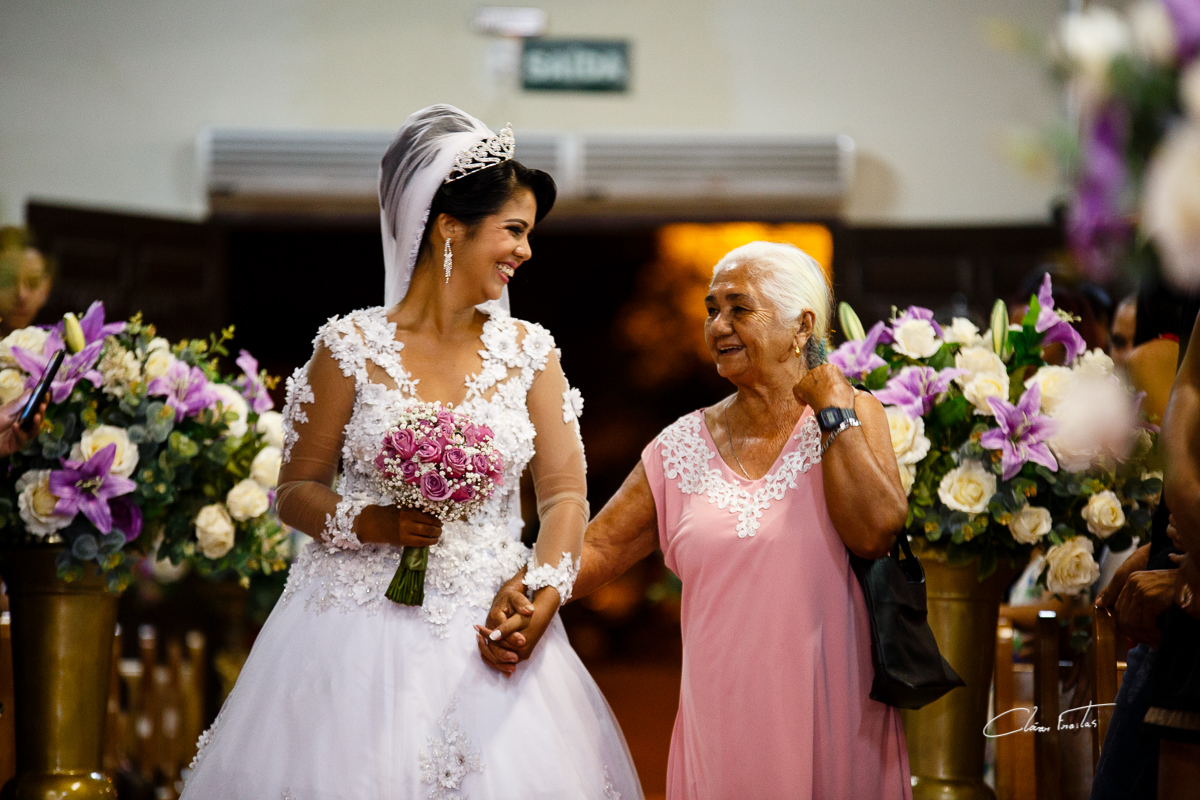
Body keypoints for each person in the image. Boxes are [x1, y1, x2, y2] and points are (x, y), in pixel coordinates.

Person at [182, 106, 642, 799]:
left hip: (489, 619)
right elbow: (297, 488)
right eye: (514, 231)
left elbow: (564, 497)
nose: (525, 251)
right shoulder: (349, 348)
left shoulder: (530, 354)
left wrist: (543, 591)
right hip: (350, 633)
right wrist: (372, 523)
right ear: (450, 229)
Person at [479, 242, 912, 798]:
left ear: (802, 326)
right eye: (712, 309)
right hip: (723, 719)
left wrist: (832, 407)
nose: (718, 325)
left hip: (831, 709)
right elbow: (601, 549)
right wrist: (525, 586)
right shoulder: (679, 446)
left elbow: (876, 531)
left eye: (739, 308)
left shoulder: (852, 415)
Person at [0, 227, 53, 336]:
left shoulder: (57, 348)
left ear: (46, 290)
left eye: (33, 283)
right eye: (7, 281)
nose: (21, 295)